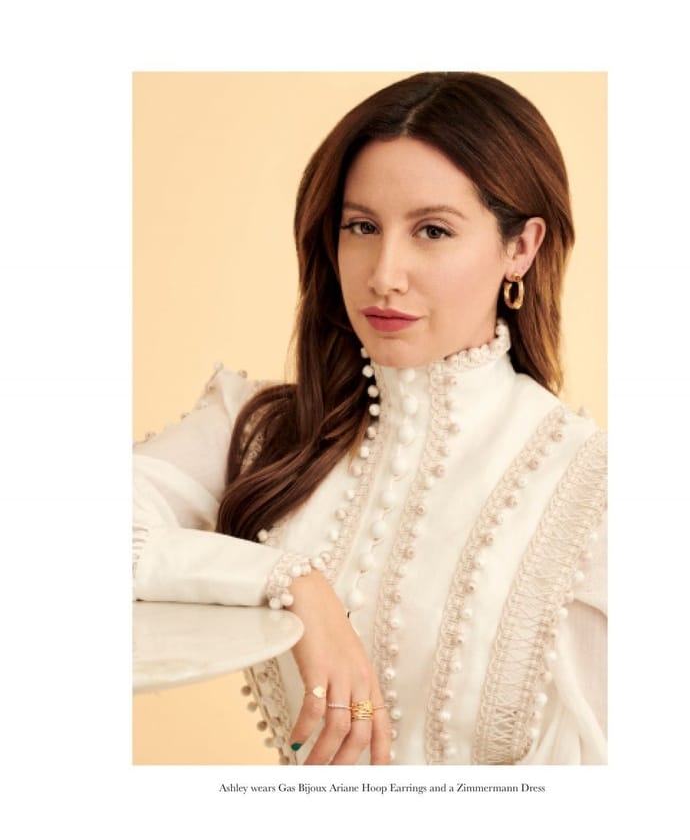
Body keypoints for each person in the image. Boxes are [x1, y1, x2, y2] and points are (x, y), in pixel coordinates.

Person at [133, 72, 607, 765]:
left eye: (433, 231)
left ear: (521, 248)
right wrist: (291, 581)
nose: (384, 274)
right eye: (361, 227)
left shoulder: (594, 491)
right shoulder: (266, 432)